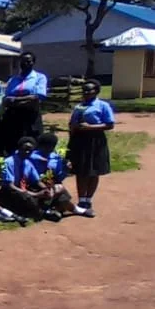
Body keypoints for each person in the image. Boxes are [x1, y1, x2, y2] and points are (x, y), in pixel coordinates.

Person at [67, 79, 114, 217]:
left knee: (94, 170)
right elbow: (71, 123)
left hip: (95, 140)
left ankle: (88, 200)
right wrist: (73, 130)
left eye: (89, 90)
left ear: (96, 91)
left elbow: (110, 124)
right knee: (81, 171)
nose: (86, 93)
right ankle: (81, 200)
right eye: (84, 90)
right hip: (79, 140)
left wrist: (90, 127)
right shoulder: (78, 107)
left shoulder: (103, 105)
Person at [0, 52, 48, 153]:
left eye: (28, 61)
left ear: (33, 62)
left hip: (31, 116)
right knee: (14, 143)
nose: (25, 64)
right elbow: (6, 98)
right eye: (23, 61)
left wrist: (15, 100)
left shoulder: (40, 77)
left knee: (32, 143)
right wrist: (26, 99)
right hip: (13, 117)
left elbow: (37, 97)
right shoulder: (13, 79)